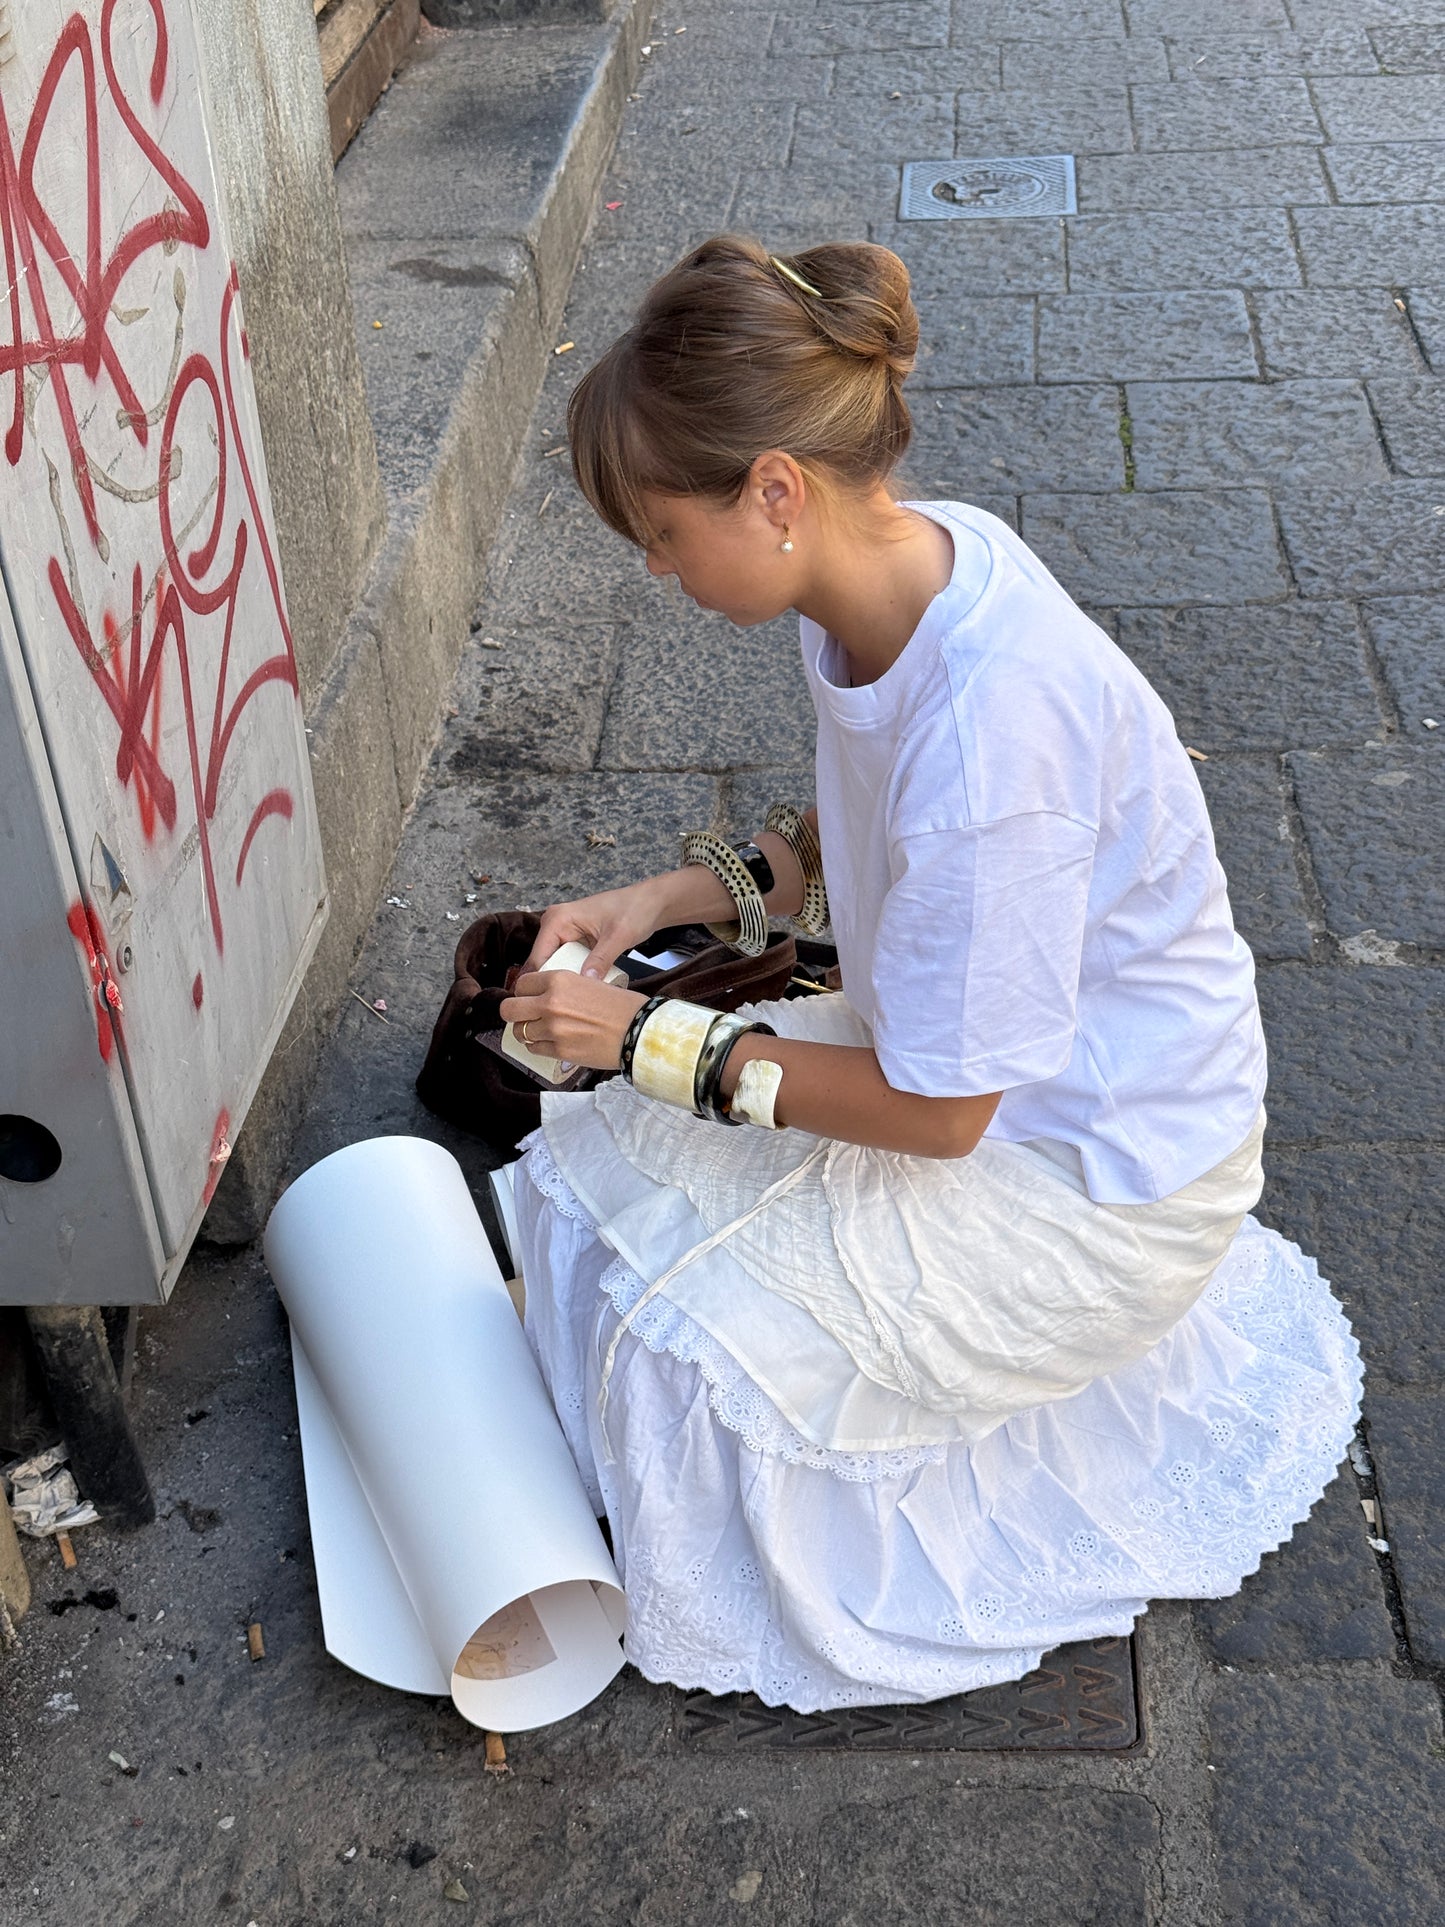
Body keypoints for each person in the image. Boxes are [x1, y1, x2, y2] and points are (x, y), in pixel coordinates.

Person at [497, 234, 1362, 1711]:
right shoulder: (906, 556)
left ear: (773, 492)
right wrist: (664, 896)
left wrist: (647, 1033)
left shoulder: (992, 735)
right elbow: (851, 833)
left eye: (656, 532)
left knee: (674, 1349)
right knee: (593, 1177)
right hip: (991, 1065)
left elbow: (940, 1117)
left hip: (1087, 1172)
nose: (652, 569)